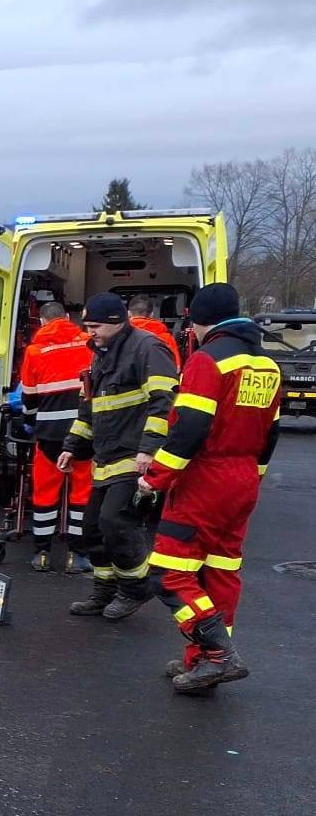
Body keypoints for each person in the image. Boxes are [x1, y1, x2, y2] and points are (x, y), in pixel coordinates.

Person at [141, 282, 282, 694]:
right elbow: (270, 433)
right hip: (242, 481)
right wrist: (250, 478)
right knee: (219, 573)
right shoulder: (266, 364)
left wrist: (154, 478)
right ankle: (204, 660)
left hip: (206, 480)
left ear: (198, 321)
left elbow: (190, 429)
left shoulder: (208, 359)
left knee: (169, 574)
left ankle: (218, 655)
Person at [57, 293, 178, 620]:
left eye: (94, 326)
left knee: (117, 521)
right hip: (106, 458)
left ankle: (136, 588)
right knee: (92, 530)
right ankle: (104, 590)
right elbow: (90, 409)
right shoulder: (102, 355)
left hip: (134, 457)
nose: (89, 332)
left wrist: (149, 449)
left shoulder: (148, 349)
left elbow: (164, 404)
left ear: (114, 322)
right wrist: (71, 446)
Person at [18, 299, 92, 573]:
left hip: (49, 434)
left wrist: (30, 421)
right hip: (84, 431)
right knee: (82, 493)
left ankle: (42, 554)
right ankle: (76, 555)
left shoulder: (35, 351)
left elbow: (29, 397)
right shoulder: (88, 343)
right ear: (68, 318)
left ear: (43, 322)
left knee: (45, 493)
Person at [126, 294, 180, 365]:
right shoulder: (166, 339)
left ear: (129, 313)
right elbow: (177, 367)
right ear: (152, 314)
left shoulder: (120, 336)